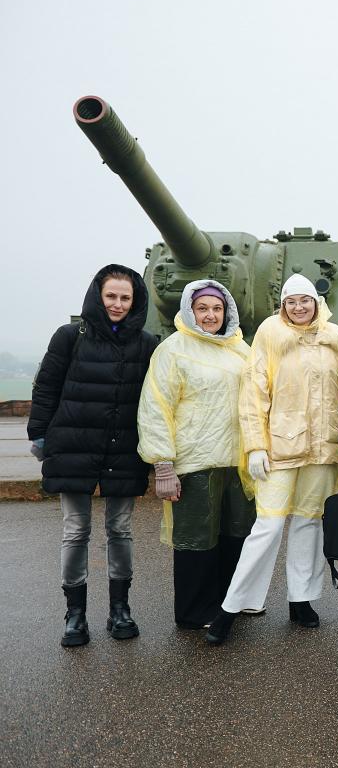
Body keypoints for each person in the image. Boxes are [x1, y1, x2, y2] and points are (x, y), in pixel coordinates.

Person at [206, 274, 338, 645]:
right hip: (280, 448)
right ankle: (232, 606)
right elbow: (254, 392)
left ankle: (301, 599)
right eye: (291, 302)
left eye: (305, 300)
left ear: (316, 302)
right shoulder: (270, 334)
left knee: (309, 524)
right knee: (267, 528)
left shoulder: (335, 337)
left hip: (324, 448)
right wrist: (256, 445)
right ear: (283, 305)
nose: (299, 307)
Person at [28, 264, 157, 647]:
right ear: (98, 297)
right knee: (75, 530)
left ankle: (120, 610)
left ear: (135, 301)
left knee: (120, 529)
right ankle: (75, 614)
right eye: (111, 296)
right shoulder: (70, 336)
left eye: (125, 298)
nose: (117, 304)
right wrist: (39, 435)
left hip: (123, 447)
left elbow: (155, 400)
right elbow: (47, 386)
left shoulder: (146, 344)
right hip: (74, 442)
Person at [136, 280, 254, 629]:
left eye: (217, 308)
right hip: (195, 462)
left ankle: (231, 602)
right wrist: (163, 464)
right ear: (190, 311)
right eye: (202, 308)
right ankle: (195, 611)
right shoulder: (173, 349)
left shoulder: (240, 349)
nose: (210, 315)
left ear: (227, 311)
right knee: (197, 539)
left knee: (236, 534)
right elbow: (156, 406)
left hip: (238, 461)